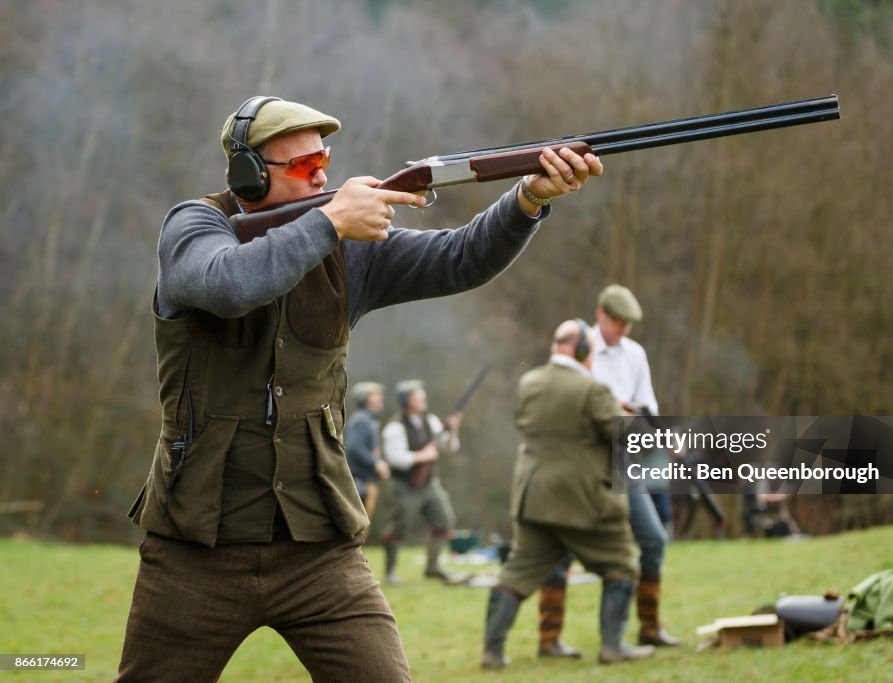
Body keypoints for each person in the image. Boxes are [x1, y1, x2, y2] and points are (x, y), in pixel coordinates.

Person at [115, 95, 602, 683]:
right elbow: (227, 286)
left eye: (323, 159)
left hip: (317, 546)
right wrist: (328, 222)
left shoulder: (349, 247)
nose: (322, 174)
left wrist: (527, 200)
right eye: (301, 166)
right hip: (195, 549)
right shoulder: (193, 227)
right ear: (247, 174)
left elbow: (460, 258)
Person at [481, 320, 656, 669]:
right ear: (581, 350)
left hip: (534, 497)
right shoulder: (593, 390)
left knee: (516, 573)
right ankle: (613, 647)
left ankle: (492, 653)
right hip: (584, 500)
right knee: (621, 564)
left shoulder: (529, 382)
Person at [535, 285, 681, 657]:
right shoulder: (581, 350)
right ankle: (549, 640)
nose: (624, 329)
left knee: (653, 538)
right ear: (601, 315)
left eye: (628, 323)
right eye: (619, 321)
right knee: (561, 546)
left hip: (622, 462)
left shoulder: (636, 355)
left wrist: (662, 437)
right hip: (581, 462)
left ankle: (650, 627)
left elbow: (646, 406)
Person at [380, 380, 462, 584]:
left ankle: (433, 568)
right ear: (407, 401)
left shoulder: (431, 421)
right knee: (399, 528)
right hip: (405, 486)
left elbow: (449, 447)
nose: (423, 399)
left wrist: (452, 429)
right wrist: (422, 456)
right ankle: (390, 573)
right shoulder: (395, 428)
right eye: (418, 396)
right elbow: (395, 458)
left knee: (444, 521)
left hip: (430, 484)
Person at [345, 381, 390, 521]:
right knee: (359, 522)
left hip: (366, 480)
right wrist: (376, 463)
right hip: (360, 481)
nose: (380, 397)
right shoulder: (362, 420)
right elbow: (354, 447)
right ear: (367, 399)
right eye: (376, 395)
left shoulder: (368, 420)